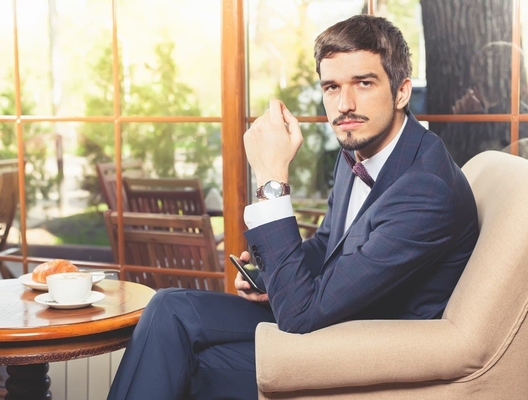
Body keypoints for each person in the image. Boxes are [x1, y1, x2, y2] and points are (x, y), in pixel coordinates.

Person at [107, 14, 479, 400]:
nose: (345, 105)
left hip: (364, 349)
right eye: (332, 87)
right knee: (170, 306)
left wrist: (271, 179)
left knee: (189, 360)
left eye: (364, 83)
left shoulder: (425, 189)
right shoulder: (360, 148)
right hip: (331, 315)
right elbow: (327, 244)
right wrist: (269, 276)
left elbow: (300, 315)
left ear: (401, 92)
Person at [442, 41, 528, 166]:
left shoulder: (477, 128)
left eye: (475, 83)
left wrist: (459, 121)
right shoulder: (521, 116)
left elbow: (441, 163)